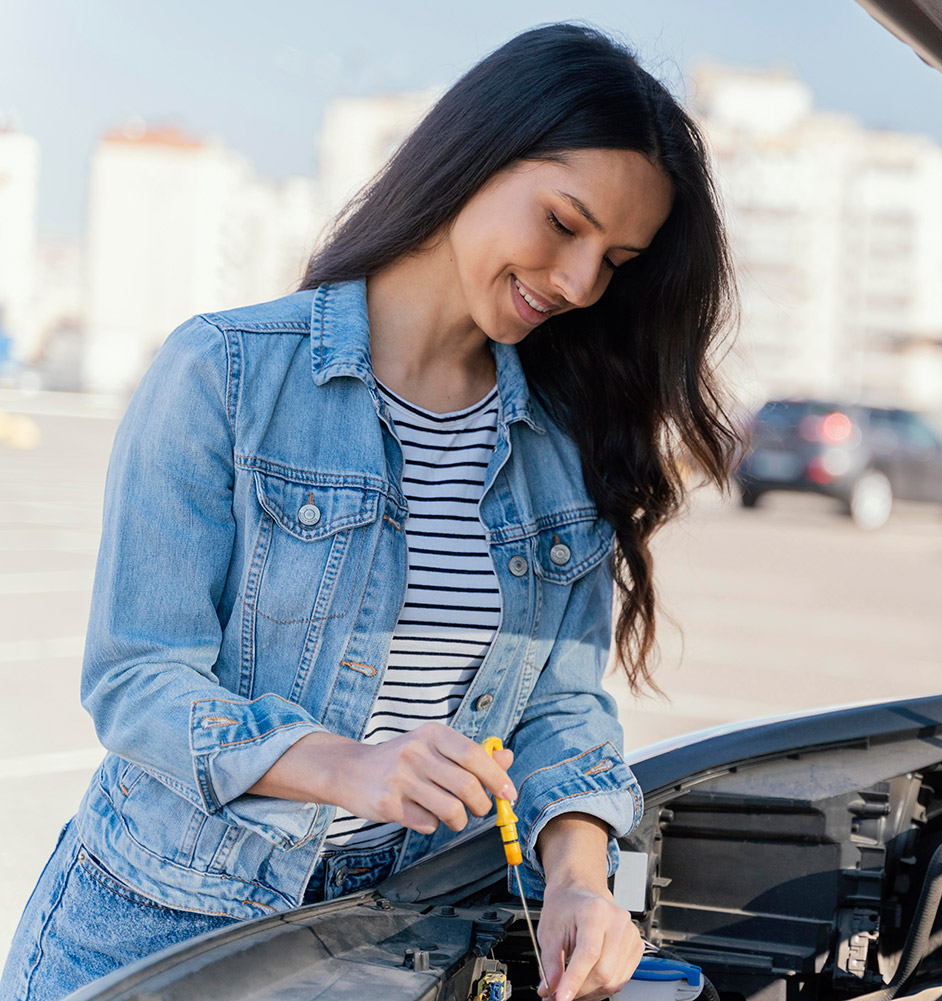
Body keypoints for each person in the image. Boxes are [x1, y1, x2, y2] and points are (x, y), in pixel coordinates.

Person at [0, 23, 737, 1001]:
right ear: (477, 154)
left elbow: (561, 706)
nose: (576, 281)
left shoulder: (562, 446)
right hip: (164, 922)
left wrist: (581, 882)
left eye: (616, 258)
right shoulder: (224, 372)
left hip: (391, 930)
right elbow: (138, 679)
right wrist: (345, 765)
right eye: (563, 222)